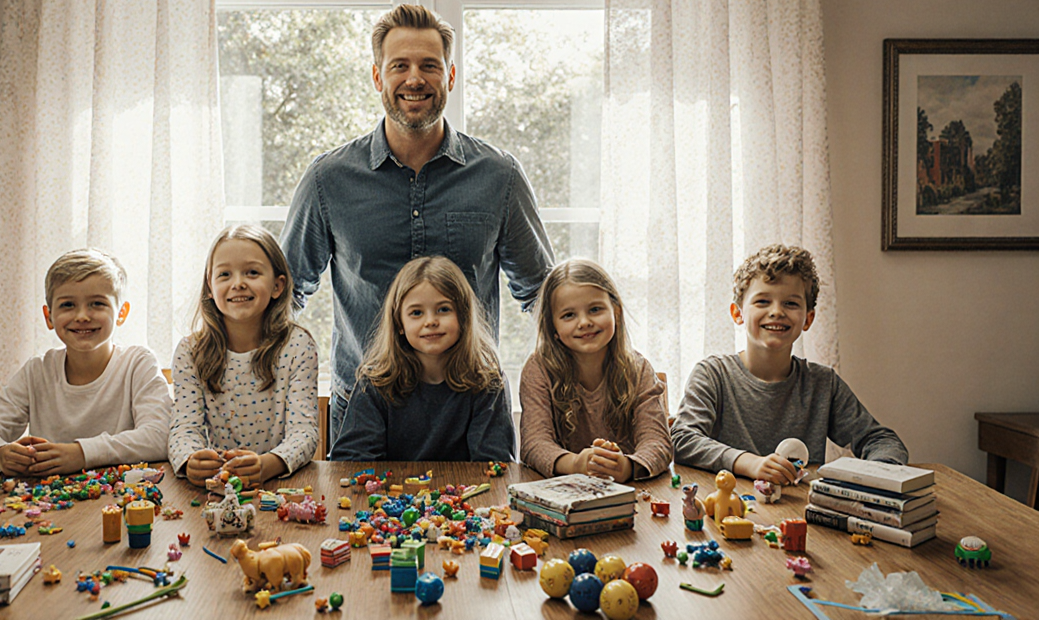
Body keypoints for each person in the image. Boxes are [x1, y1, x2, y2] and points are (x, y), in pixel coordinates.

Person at [280, 4, 553, 448]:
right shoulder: (327, 180)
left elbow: (543, 294)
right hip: (363, 423)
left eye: (430, 65)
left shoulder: (499, 177)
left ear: (450, 76)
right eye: (399, 66)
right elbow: (283, 293)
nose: (414, 79)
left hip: (471, 425)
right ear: (376, 77)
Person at [672, 244, 908, 483]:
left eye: (791, 304)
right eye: (762, 301)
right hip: (728, 513)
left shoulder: (823, 383)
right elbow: (683, 439)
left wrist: (879, 477)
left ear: (808, 319)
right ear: (738, 313)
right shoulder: (712, 375)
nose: (776, 312)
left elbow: (881, 440)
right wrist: (750, 463)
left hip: (799, 513)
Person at [0, 249, 171, 475]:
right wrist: (0, 454)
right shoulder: (37, 372)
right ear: (49, 316)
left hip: (122, 499)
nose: (82, 315)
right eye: (68, 305)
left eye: (97, 304)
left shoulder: (138, 364)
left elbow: (159, 435)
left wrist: (80, 454)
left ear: (121, 313)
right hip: (49, 500)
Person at [167, 225, 318, 487]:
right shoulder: (189, 352)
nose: (238, 283)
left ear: (277, 285)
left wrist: (270, 464)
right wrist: (189, 459)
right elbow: (184, 429)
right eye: (224, 274)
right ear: (210, 288)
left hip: (278, 486)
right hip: (214, 491)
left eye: (252, 272)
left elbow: (304, 432)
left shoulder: (298, 346)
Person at [329, 256, 515, 462]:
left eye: (443, 309)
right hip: (389, 493)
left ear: (464, 316)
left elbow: (494, 464)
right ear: (399, 323)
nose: (431, 321)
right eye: (416, 313)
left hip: (467, 493)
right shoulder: (375, 382)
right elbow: (351, 461)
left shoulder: (488, 383)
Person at [520, 259, 673, 482]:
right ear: (552, 327)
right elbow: (534, 444)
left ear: (616, 312)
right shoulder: (538, 370)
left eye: (595, 309)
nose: (584, 322)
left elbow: (658, 442)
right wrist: (575, 464)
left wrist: (627, 466)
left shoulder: (639, 370)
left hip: (631, 494)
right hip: (562, 493)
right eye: (569, 315)